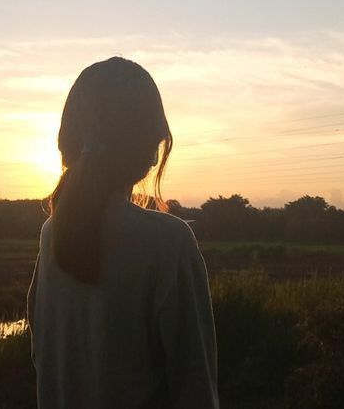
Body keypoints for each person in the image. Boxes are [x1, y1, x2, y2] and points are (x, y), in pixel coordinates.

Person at [27, 56, 219, 408]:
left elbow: (44, 362)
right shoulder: (167, 243)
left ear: (67, 144)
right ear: (151, 146)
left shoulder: (51, 234)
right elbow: (197, 391)